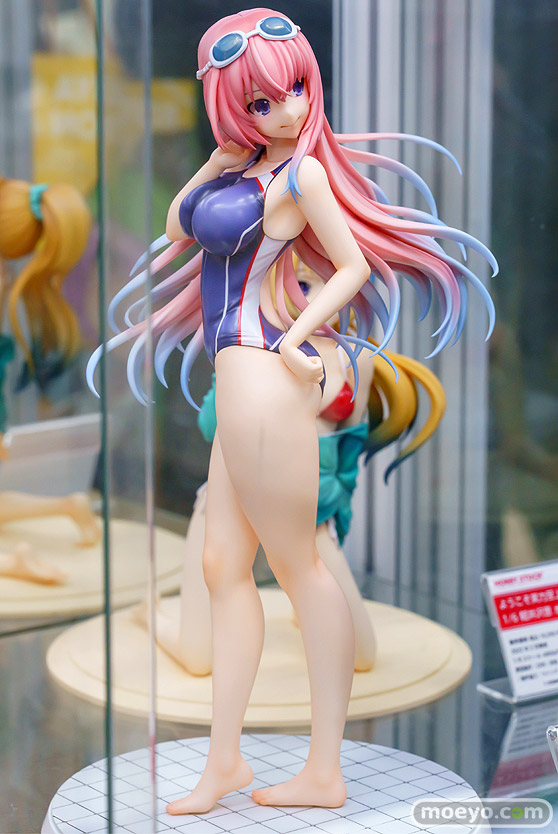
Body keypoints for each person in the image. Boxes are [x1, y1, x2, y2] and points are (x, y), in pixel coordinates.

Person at [88, 8, 496, 814]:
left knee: (301, 567)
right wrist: (214, 161)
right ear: (230, 107)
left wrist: (300, 335)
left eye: (296, 89)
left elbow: (351, 266)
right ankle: (226, 760)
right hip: (239, 378)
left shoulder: (301, 176)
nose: (287, 110)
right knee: (221, 567)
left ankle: (324, 769)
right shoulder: (241, 170)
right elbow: (175, 230)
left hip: (264, 377)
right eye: (261, 101)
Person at [132, 259, 445, 676]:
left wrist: (334, 511)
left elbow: (348, 448)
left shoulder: (355, 358)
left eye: (328, 282)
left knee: (361, 654)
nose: (314, 297)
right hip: (231, 506)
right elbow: (212, 426)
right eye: (299, 283)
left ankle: (306, 605)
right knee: (199, 659)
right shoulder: (250, 344)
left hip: (307, 514)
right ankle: (151, 616)